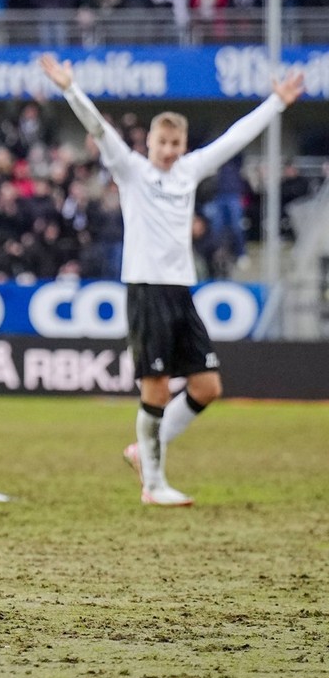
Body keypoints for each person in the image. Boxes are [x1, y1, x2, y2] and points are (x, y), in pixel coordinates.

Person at [39, 53, 303, 506]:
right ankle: (154, 484)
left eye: (176, 142)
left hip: (181, 291)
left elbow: (234, 139)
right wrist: (70, 87)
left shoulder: (189, 171)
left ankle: (140, 452)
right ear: (150, 143)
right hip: (145, 288)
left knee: (207, 386)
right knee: (155, 389)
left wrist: (275, 103)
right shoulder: (132, 170)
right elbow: (99, 128)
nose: (170, 150)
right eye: (163, 142)